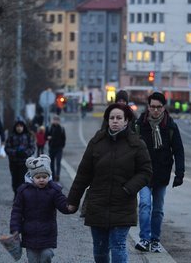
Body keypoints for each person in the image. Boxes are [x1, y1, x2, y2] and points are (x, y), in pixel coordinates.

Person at [68, 103, 152, 263]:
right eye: (111, 118)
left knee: (118, 245)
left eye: (119, 118)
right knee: (99, 249)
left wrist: (128, 188)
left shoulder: (136, 144)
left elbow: (146, 172)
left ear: (126, 121)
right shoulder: (97, 142)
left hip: (123, 205)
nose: (115, 121)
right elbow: (83, 174)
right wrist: (72, 200)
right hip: (97, 204)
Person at [134, 92, 185, 254]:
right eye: (152, 107)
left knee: (157, 209)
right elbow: (131, 149)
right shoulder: (139, 125)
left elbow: (178, 150)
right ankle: (144, 238)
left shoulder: (170, 126)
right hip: (142, 173)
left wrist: (179, 173)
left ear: (164, 108)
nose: (155, 110)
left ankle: (155, 240)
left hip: (162, 174)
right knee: (144, 204)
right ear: (148, 107)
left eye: (159, 107)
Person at [9, 155, 73, 263]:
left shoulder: (54, 191)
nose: (41, 180)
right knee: (32, 259)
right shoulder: (23, 191)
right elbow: (17, 212)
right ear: (32, 177)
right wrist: (15, 229)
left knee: (46, 255)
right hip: (29, 233)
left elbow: (63, 205)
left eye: (44, 177)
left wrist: (70, 206)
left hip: (47, 232)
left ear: (49, 176)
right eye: (38, 177)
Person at [5, 120, 35, 196]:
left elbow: (32, 148)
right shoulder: (11, 137)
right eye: (17, 126)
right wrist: (15, 153)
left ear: (23, 127)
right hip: (13, 162)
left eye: (21, 126)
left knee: (22, 180)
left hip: (24, 162)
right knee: (14, 179)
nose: (19, 128)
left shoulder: (28, 136)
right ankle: (16, 193)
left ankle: (20, 196)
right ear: (15, 127)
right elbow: (7, 148)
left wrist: (25, 153)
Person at [46, 115, 66, 182]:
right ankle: (53, 176)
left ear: (59, 121)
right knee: (51, 163)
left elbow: (64, 138)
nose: (55, 121)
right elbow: (45, 136)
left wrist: (62, 146)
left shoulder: (61, 128)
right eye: (54, 120)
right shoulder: (49, 128)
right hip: (51, 148)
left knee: (58, 162)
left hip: (59, 148)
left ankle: (57, 176)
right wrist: (48, 137)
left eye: (57, 120)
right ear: (52, 120)